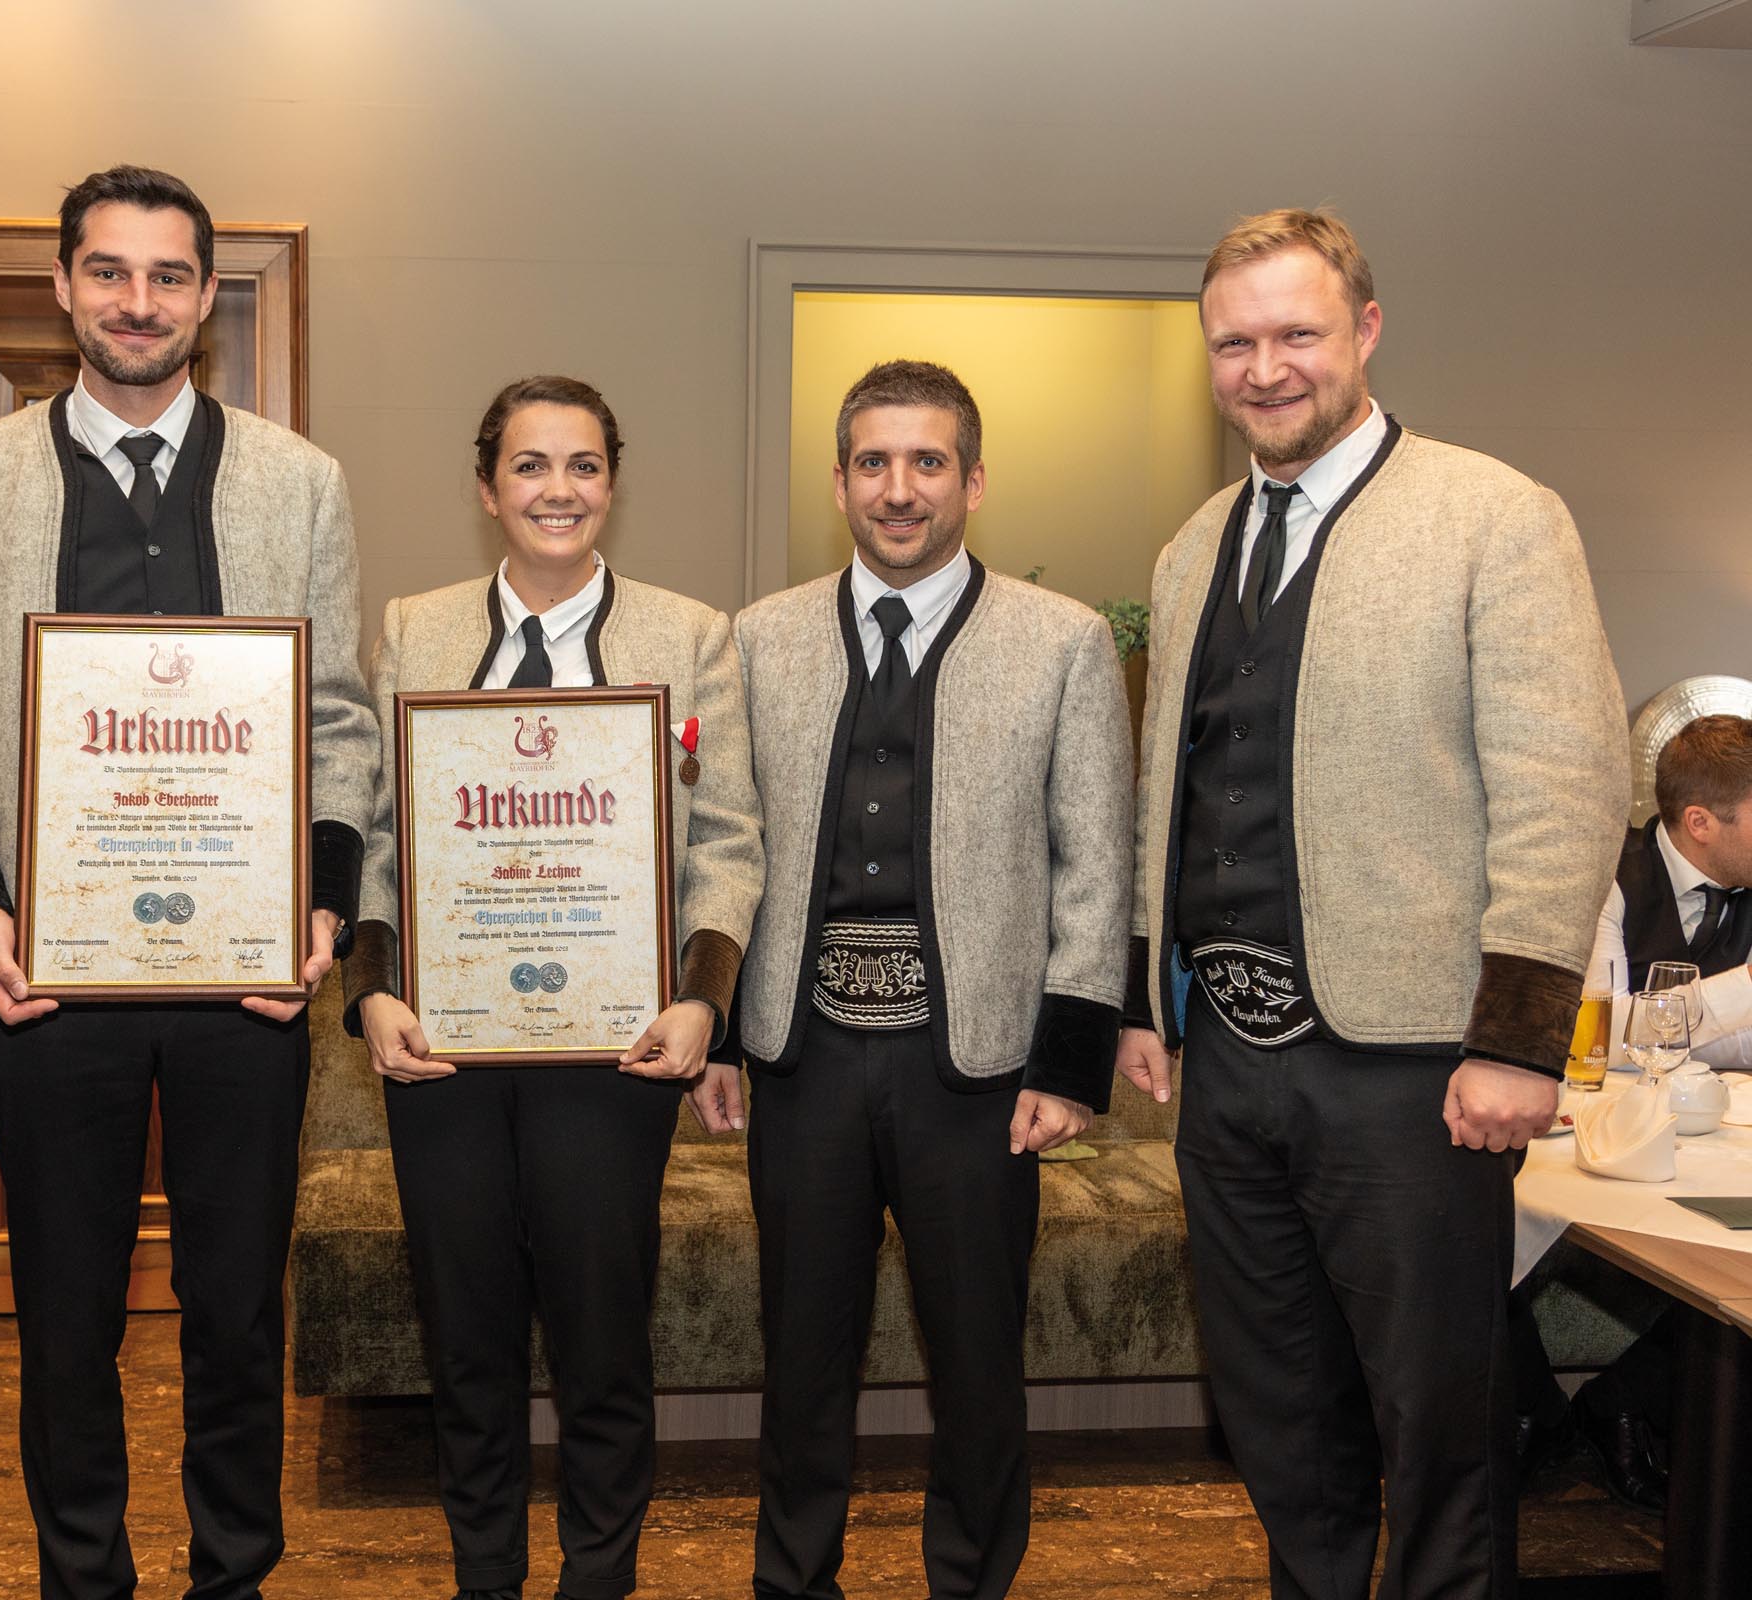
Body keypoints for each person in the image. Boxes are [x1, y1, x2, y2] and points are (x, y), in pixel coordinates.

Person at [1112, 208, 1631, 1597]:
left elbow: (1566, 783)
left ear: (1367, 330)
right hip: (1228, 1067)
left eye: (1298, 333)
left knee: (1439, 1424)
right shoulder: (1193, 546)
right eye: (1235, 342)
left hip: (1417, 1068)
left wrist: (1517, 1039)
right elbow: (1173, 787)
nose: (1265, 367)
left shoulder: (1494, 515)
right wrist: (1145, 996)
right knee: (1279, 1417)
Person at [0, 164, 377, 1600]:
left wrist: (321, 909)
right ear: (63, 286)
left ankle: (235, 1574)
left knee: (238, 1309)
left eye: (167, 276)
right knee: (65, 1312)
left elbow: (337, 721)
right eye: (108, 271)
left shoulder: (299, 480)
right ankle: (81, 1576)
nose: (137, 301)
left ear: (206, 296)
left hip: (246, 981)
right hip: (52, 977)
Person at [340, 376, 764, 1600]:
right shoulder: (414, 628)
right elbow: (377, 830)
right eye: (530, 465)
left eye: (583, 465)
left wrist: (703, 999)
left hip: (615, 1054)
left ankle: (598, 1578)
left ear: (612, 484)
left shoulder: (691, 636)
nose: (558, 490)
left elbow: (729, 839)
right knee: (465, 1341)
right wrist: (372, 991)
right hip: (443, 1049)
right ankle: (485, 1575)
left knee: (600, 1341)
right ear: (488, 488)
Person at [732, 359, 1133, 1599]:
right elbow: (724, 849)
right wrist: (720, 1034)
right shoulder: (758, 639)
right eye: (873, 462)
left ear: (974, 480)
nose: (898, 489)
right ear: (839, 480)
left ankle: (970, 1578)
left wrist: (1069, 1067)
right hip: (801, 1056)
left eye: (926, 462)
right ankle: (794, 1579)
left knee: (977, 1365)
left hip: (979, 1069)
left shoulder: (1061, 642)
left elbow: (1096, 862)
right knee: (802, 1361)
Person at [1513, 712, 1752, 1510]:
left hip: (1707, 1133)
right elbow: (1599, 1030)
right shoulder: (1604, 876)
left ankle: (1625, 1403)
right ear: (1701, 822)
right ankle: (1533, 1416)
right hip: (1572, 1129)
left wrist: (1687, 1028)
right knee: (1473, 1231)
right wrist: (1741, 992)